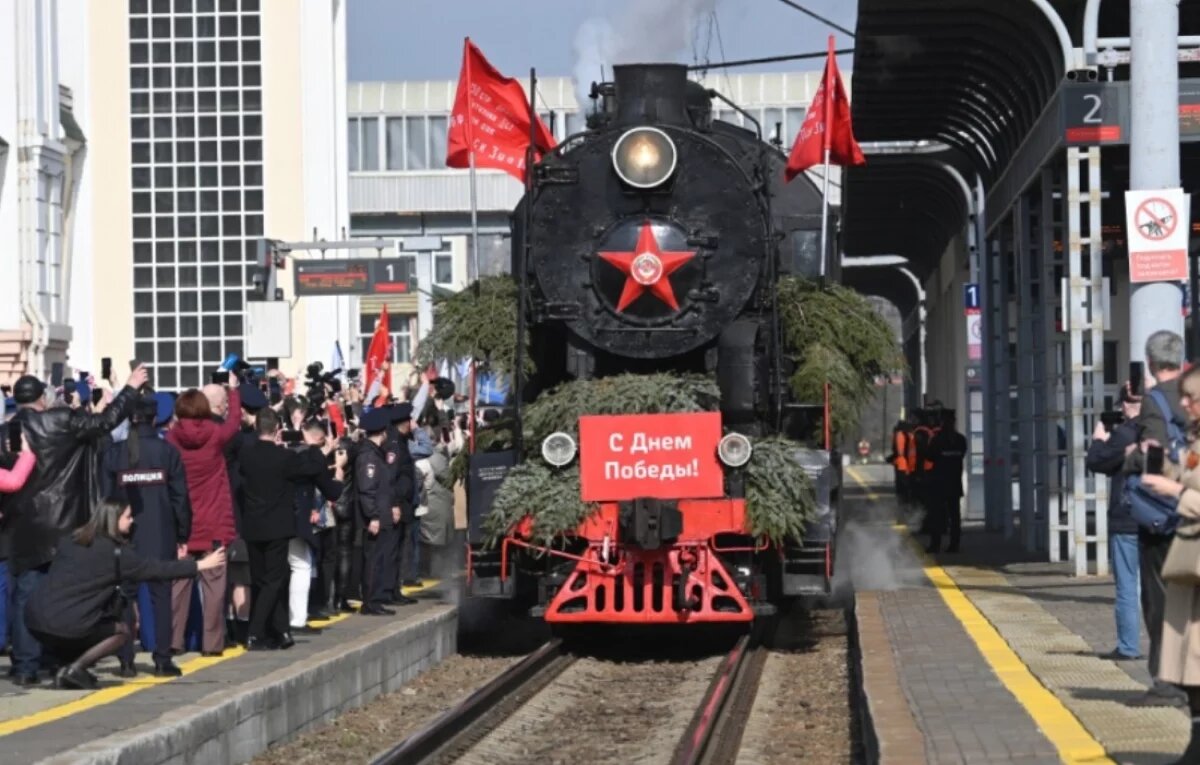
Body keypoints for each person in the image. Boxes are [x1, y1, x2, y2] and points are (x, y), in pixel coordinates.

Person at [2, 367, 145, 687]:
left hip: (25, 525)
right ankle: (58, 660)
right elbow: (106, 422)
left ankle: (25, 666)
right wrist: (131, 388)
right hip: (67, 519)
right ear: (42, 398)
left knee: (25, 593)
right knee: (64, 596)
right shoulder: (63, 421)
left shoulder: (7, 431)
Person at [25, 500, 225, 690]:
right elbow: (157, 569)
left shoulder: (71, 540)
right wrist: (200, 565)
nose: (132, 521)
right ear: (114, 519)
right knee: (121, 631)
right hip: (65, 624)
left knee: (83, 621)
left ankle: (65, 668)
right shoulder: (117, 554)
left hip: (34, 620)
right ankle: (74, 669)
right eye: (128, 517)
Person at [1135, 364, 1200, 761]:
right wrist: (1166, 467)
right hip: (1189, 569)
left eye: (1192, 396)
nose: (1185, 403)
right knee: (1190, 671)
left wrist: (1174, 490)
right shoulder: (1193, 441)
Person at [102, 395, 192, 677]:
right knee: (161, 597)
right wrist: (182, 534)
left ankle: (126, 658)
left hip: (124, 537)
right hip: (161, 533)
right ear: (155, 418)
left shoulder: (115, 453)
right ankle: (163, 658)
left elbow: (103, 498)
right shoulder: (167, 452)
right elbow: (180, 498)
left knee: (125, 597)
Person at [238, 408, 343, 649]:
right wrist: (315, 449)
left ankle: (281, 631)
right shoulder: (284, 458)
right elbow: (311, 469)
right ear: (277, 431)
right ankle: (255, 632)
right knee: (274, 580)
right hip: (277, 526)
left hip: (253, 526)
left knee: (261, 579)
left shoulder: (246, 455)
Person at [1126, 330, 1189, 708]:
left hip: (1164, 519)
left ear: (1150, 363)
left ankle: (1168, 684)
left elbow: (1154, 459)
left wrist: (1131, 453)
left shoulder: (1154, 402)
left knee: (1160, 601)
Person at [166, 383, 242, 657]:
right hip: (214, 522)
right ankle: (212, 644)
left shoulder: (171, 440)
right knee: (214, 588)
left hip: (183, 525)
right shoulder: (216, 435)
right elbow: (234, 421)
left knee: (179, 585)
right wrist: (233, 391)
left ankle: (174, 639)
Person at [1085, 390, 1143, 662]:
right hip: (1160, 517)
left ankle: (1128, 647)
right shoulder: (1162, 430)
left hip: (1127, 519)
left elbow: (1096, 462)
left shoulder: (1124, 435)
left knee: (1127, 586)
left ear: (1124, 404)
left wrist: (1098, 439)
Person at [285, 418, 347, 635]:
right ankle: (298, 619)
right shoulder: (314, 458)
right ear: (321, 438)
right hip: (299, 520)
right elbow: (331, 491)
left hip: (274, 517)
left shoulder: (286, 452)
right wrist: (338, 473)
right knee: (302, 565)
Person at [357, 408, 397, 615]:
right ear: (382, 432)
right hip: (375, 517)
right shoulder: (369, 457)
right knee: (373, 561)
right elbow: (367, 488)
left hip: (382, 514)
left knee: (379, 559)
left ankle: (376, 599)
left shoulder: (374, 454)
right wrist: (372, 515)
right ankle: (370, 601)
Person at [385, 404, 419, 602]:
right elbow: (391, 476)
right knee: (393, 550)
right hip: (397, 503)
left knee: (399, 550)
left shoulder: (401, 441)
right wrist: (395, 502)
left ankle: (394, 589)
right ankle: (390, 590)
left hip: (404, 502)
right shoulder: (394, 444)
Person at [924, 409, 967, 553]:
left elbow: (929, 457)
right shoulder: (961, 440)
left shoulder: (936, 440)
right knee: (955, 516)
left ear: (941, 422)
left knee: (936, 515)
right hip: (955, 482)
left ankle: (935, 544)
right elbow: (961, 455)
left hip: (939, 483)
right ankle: (954, 544)